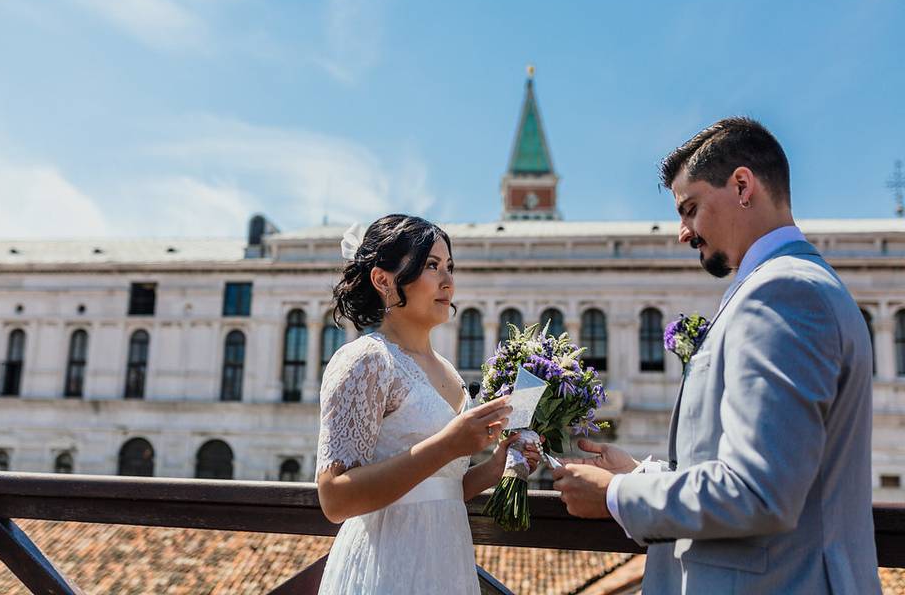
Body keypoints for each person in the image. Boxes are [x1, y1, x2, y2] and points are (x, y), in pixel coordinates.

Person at [552, 117, 881, 593]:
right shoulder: (787, 286)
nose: (683, 233)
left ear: (743, 186)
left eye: (690, 208)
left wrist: (616, 495)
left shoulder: (783, 292)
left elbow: (757, 491)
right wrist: (641, 474)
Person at [316, 213, 539, 594]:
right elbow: (334, 498)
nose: (448, 282)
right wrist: (451, 443)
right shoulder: (367, 360)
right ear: (383, 280)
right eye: (431, 266)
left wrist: (498, 465)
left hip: (447, 561)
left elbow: (442, 489)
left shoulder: (451, 375)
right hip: (385, 564)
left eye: (450, 267)